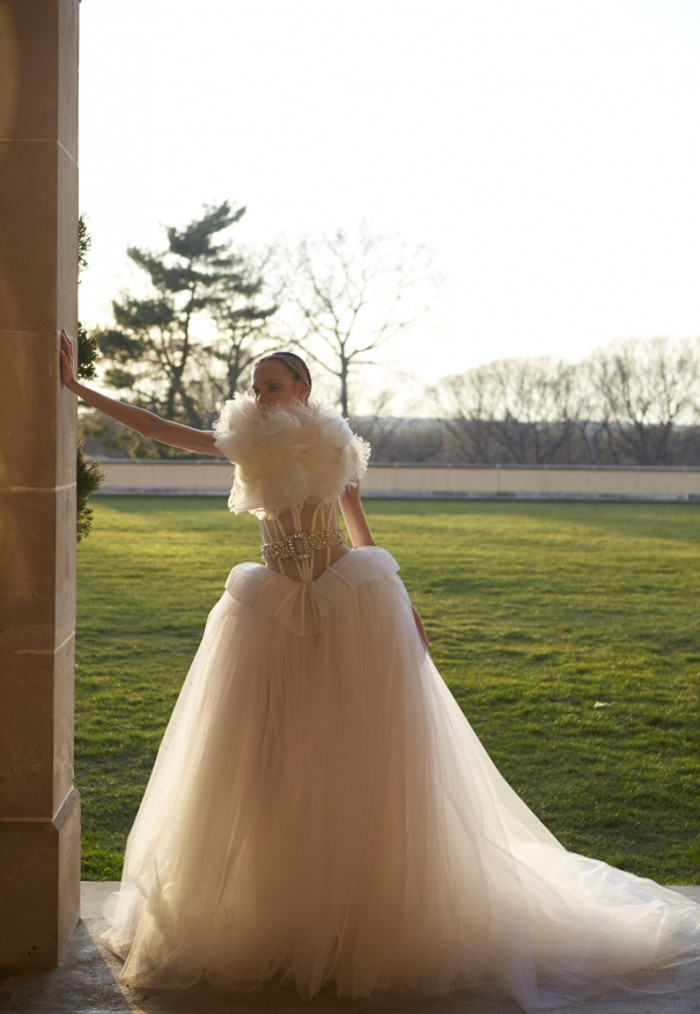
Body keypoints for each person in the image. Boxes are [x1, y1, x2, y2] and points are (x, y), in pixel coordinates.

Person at [60, 330, 700, 1011]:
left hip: (349, 606)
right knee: (267, 761)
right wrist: (78, 390)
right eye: (256, 386)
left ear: (301, 390)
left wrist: (405, 603)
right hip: (271, 611)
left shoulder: (337, 444)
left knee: (360, 758)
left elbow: (355, 521)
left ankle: (363, 912)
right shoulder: (243, 437)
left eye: (273, 385)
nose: (261, 395)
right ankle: (282, 902)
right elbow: (159, 428)